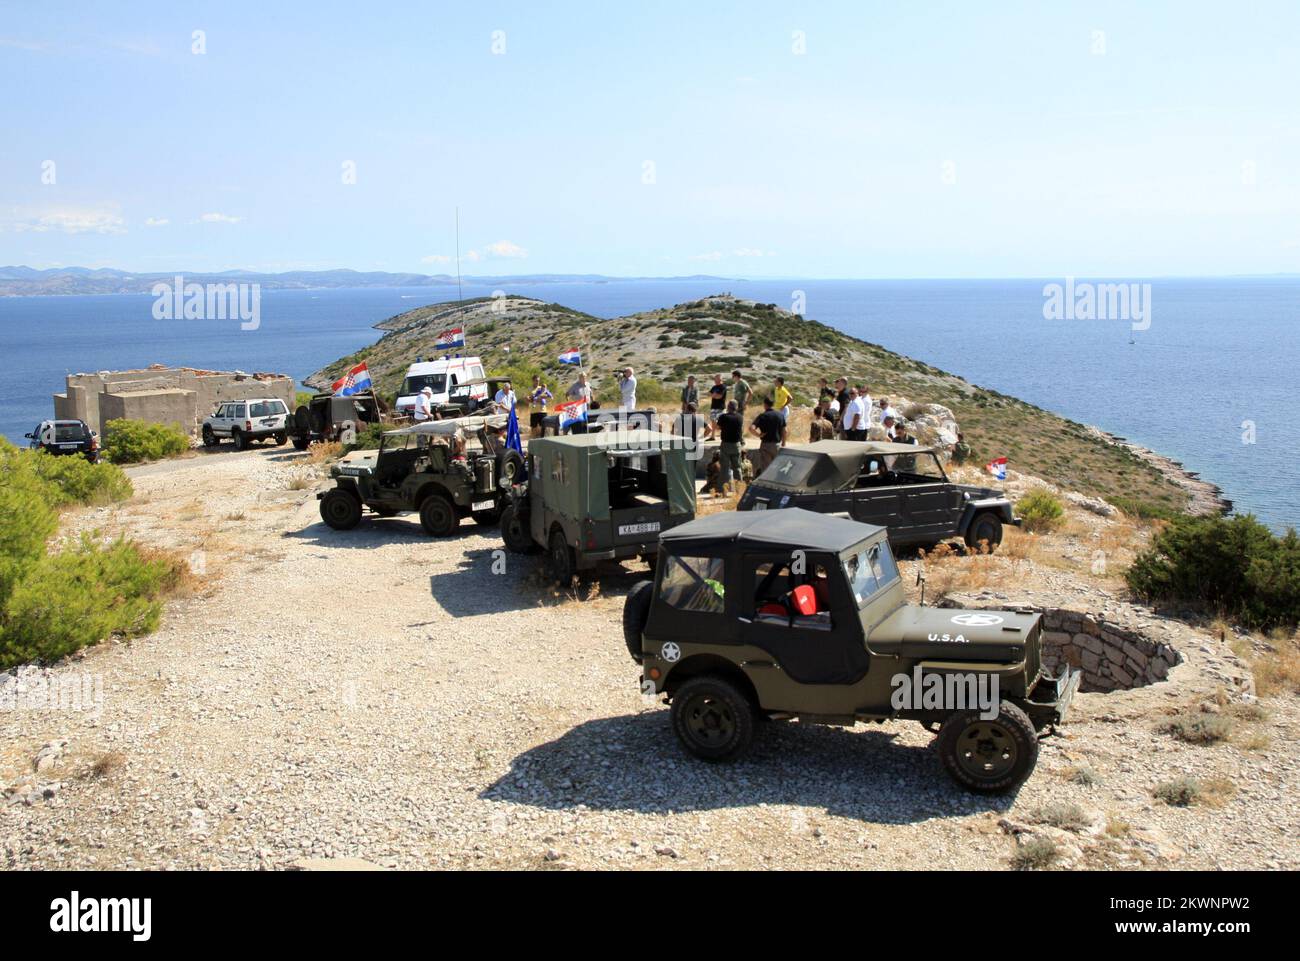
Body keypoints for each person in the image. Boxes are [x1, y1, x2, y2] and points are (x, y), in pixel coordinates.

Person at [750, 397, 784, 474]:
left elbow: (751, 428)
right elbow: (785, 430)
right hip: (777, 445)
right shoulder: (780, 415)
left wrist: (759, 435)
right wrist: (783, 443)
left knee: (766, 469)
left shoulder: (763, 416)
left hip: (766, 445)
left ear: (765, 404)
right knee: (777, 468)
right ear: (773, 404)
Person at [716, 400, 744, 493]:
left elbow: (717, 427)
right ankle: (739, 489)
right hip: (736, 445)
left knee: (725, 468)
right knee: (737, 468)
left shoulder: (723, 417)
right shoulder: (740, 417)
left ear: (728, 407)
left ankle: (723, 490)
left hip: (726, 444)